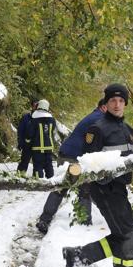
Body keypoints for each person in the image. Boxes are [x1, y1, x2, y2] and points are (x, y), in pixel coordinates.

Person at [62, 84, 133, 267]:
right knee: (128, 236)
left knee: (122, 236)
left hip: (120, 188)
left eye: (121, 101)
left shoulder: (129, 131)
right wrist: (103, 183)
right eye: (112, 100)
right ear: (106, 103)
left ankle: (78, 255)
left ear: (126, 104)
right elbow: (89, 164)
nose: (117, 104)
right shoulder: (97, 129)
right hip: (105, 190)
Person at [35, 98, 108, 234]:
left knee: (61, 188)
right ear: (104, 107)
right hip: (73, 157)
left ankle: (44, 220)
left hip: (67, 153)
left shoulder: (94, 116)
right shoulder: (99, 117)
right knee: (85, 188)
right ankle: (84, 223)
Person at [25, 99, 56, 178]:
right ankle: (51, 179)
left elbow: (30, 133)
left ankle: (39, 181)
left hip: (37, 148)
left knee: (38, 165)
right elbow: (51, 131)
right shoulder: (52, 120)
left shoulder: (34, 119)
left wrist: (27, 140)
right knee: (49, 165)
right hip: (49, 147)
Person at [16, 98, 39, 175]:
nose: (35, 107)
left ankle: (36, 180)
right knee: (24, 162)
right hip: (27, 145)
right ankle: (19, 176)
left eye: (37, 105)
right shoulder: (26, 117)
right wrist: (20, 142)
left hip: (38, 145)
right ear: (32, 106)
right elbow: (20, 131)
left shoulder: (43, 118)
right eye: (34, 105)